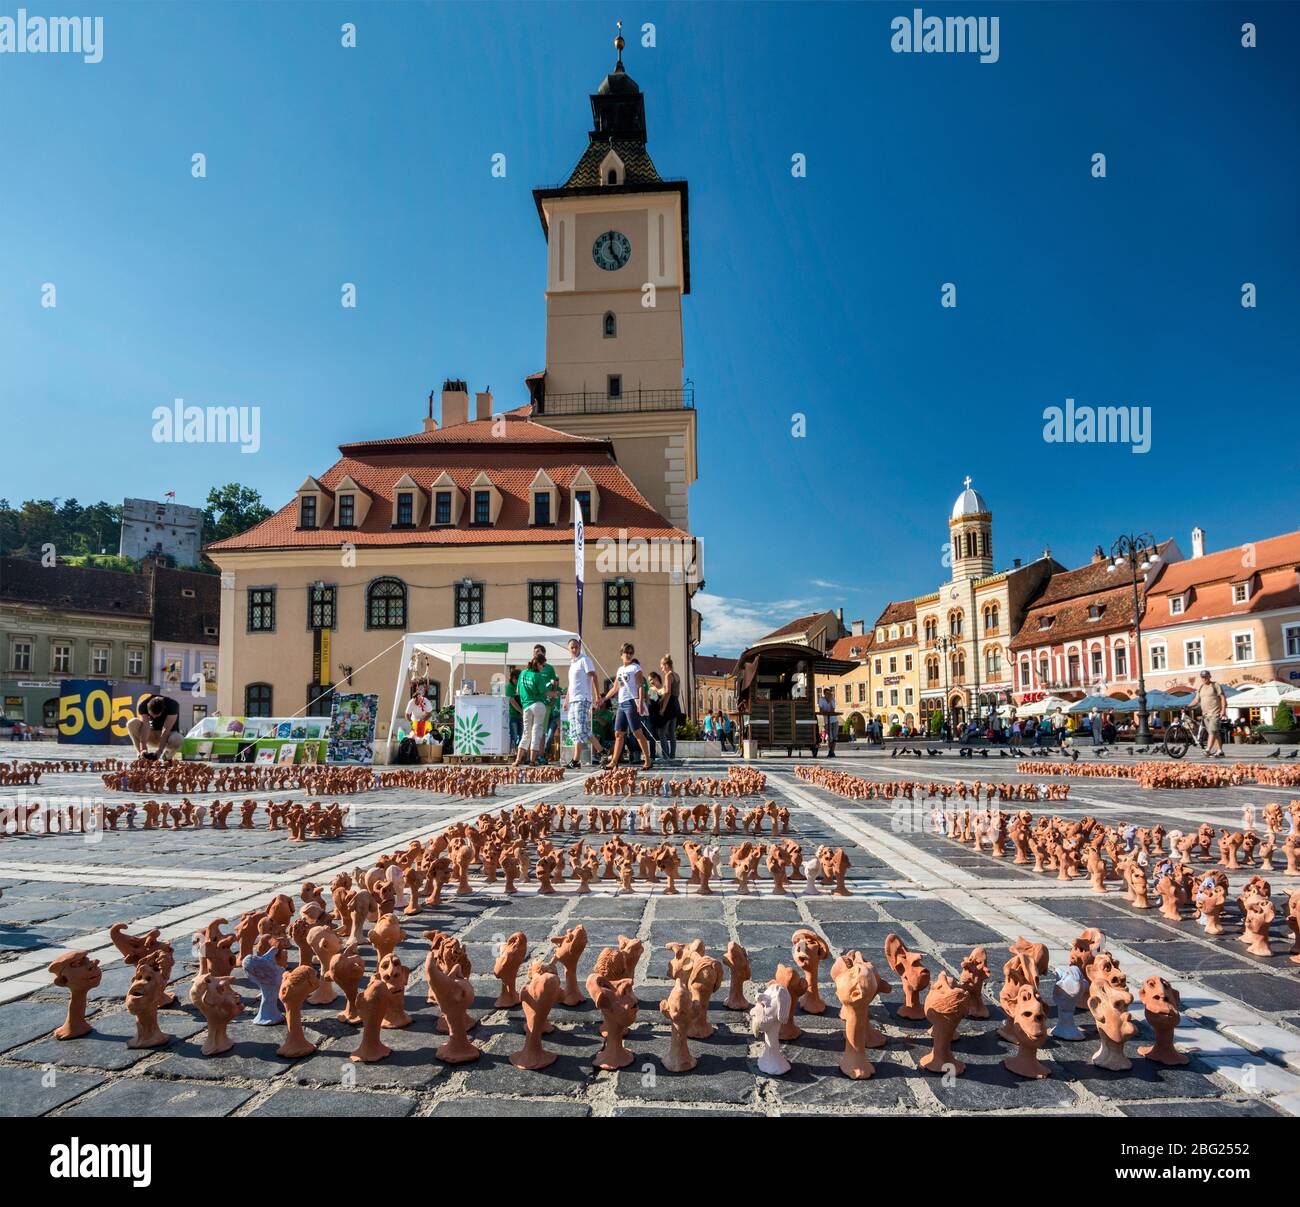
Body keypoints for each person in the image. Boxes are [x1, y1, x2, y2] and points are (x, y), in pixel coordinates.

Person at [600, 643, 652, 771]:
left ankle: (647, 759)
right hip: (621, 704)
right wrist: (604, 699)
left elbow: (640, 686)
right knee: (618, 733)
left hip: (631, 702)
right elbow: (615, 688)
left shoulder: (636, 668)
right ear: (621, 654)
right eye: (626, 652)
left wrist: (639, 704)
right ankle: (613, 762)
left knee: (637, 732)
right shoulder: (619, 670)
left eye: (630, 653)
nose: (628, 655)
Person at [563, 638, 598, 769]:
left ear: (579, 647)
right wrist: (566, 700)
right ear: (569, 649)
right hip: (573, 701)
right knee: (575, 732)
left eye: (576, 647)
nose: (574, 649)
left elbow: (594, 676)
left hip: (583, 699)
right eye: (571, 647)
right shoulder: (572, 664)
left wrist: (597, 695)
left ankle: (601, 752)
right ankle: (576, 760)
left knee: (582, 729)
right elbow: (571, 685)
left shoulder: (584, 660)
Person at [513, 654, 550, 766]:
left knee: (526, 733)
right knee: (536, 731)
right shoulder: (538, 676)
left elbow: (518, 690)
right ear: (538, 664)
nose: (542, 667)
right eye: (542, 665)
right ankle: (533, 760)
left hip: (526, 706)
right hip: (538, 705)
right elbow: (545, 692)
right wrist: (557, 693)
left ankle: (518, 760)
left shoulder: (523, 673)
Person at [128, 694, 182, 761]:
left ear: (163, 709)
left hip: (168, 738)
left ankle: (167, 756)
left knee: (178, 739)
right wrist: (143, 748)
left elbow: (165, 731)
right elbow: (145, 727)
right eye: (152, 715)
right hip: (152, 735)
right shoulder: (143, 706)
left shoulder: (172, 705)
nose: (154, 718)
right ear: (148, 707)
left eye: (156, 715)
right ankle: (142, 755)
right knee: (131, 723)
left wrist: (160, 751)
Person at [1194, 669, 1227, 757]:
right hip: (1205, 715)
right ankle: (1220, 750)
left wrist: (1223, 710)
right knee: (1214, 733)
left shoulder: (1215, 685)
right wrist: (1187, 706)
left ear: (1209, 677)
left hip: (1215, 713)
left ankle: (1207, 750)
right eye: (1202, 677)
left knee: (1212, 731)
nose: (1204, 679)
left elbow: (1223, 697)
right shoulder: (1200, 688)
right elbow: (1196, 700)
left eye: (1206, 677)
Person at [657, 654, 682, 761]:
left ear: (666, 665)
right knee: (672, 732)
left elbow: (667, 692)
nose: (662, 669)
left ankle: (665, 755)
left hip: (669, 705)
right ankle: (672, 755)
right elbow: (677, 693)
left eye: (662, 667)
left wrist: (663, 709)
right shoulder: (677, 675)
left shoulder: (668, 676)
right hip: (676, 704)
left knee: (662, 731)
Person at [505, 666, 522, 753]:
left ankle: (519, 753)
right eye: (514, 678)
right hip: (513, 715)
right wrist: (521, 711)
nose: (515, 681)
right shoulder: (509, 687)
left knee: (521, 736)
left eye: (517, 679)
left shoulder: (521, 687)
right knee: (514, 736)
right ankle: (513, 752)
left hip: (521, 716)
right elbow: (512, 701)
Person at [818, 686, 837, 757]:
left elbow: (832, 710)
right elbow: (821, 710)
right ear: (824, 694)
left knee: (835, 737)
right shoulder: (821, 700)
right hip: (827, 721)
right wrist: (826, 710)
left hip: (834, 720)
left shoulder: (833, 699)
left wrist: (829, 701)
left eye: (829, 693)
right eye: (827, 693)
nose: (828, 695)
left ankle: (831, 752)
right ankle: (831, 752)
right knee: (830, 737)